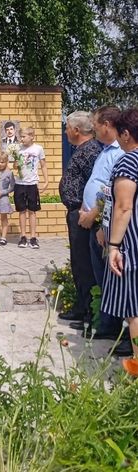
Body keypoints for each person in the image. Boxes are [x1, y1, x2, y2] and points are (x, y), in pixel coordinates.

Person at [76, 105, 124, 340]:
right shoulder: (105, 150)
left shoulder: (119, 152)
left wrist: (95, 214)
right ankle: (105, 324)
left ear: (107, 125)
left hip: (105, 223)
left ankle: (117, 329)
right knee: (100, 276)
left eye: (96, 125)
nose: (93, 129)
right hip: (95, 221)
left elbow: (114, 192)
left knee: (111, 278)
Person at [58, 111, 102, 323]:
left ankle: (89, 311)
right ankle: (81, 305)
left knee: (84, 263)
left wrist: (90, 211)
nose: (65, 131)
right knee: (78, 261)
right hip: (76, 212)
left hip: (83, 213)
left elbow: (97, 183)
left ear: (76, 130)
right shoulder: (82, 150)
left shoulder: (90, 151)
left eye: (67, 127)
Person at [102, 108, 138, 359]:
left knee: (135, 310)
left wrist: (114, 245)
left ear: (126, 134)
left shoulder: (129, 161)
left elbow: (124, 207)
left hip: (133, 243)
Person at [13, 127, 48, 248]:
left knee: (32, 211)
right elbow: (15, 166)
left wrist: (46, 181)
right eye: (21, 137)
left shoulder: (38, 149)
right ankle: (23, 236)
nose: (22, 139)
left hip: (32, 184)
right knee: (22, 210)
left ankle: (33, 237)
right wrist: (16, 163)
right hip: (20, 183)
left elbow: (43, 165)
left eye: (24, 136)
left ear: (32, 136)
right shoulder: (18, 149)